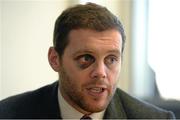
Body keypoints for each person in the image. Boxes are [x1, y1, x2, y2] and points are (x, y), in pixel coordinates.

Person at [0, 2, 175, 119]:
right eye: (86, 58)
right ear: (55, 59)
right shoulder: (8, 114)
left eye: (111, 59)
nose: (100, 72)